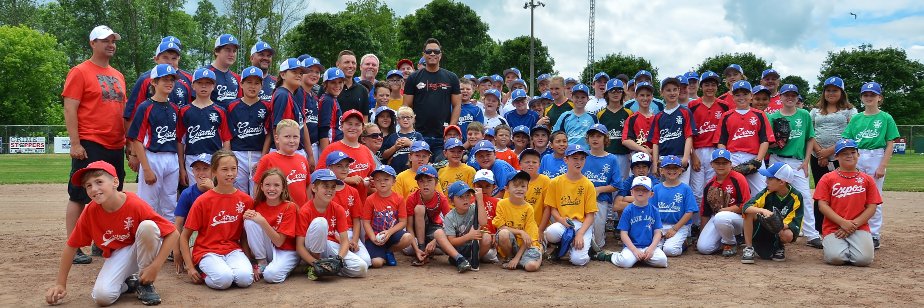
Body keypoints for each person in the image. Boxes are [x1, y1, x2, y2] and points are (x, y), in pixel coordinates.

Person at [46, 161, 178, 306]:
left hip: (143, 249)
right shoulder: (90, 211)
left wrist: (155, 267)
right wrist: (60, 284)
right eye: (88, 185)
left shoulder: (134, 204)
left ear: (115, 182)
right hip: (119, 255)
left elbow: (173, 233)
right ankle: (129, 283)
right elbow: (71, 246)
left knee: (148, 227)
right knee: (102, 297)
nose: (94, 189)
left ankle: (144, 283)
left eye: (99, 182)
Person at [62, 25, 129, 264]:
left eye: (113, 40)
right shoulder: (80, 71)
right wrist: (75, 142)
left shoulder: (118, 75)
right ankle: (74, 245)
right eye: (105, 40)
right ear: (92, 43)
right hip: (90, 141)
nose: (110, 44)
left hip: (114, 143)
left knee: (111, 194)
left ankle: (102, 242)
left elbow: (123, 111)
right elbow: (70, 107)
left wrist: (127, 143)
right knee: (80, 194)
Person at [178, 150, 255, 290]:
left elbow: (244, 236)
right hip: (207, 251)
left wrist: (250, 262)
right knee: (224, 280)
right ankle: (204, 272)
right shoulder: (203, 201)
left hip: (232, 250)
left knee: (245, 279)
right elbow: (184, 236)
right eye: (224, 169)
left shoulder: (245, 200)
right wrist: (190, 267)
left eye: (233, 169)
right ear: (214, 171)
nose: (230, 173)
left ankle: (226, 271)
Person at [841, 82, 898, 249]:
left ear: (880, 98)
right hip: (857, 156)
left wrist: (882, 166)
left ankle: (873, 234)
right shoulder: (856, 118)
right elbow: (847, 140)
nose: (869, 97)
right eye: (865, 95)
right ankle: (854, 229)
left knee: (873, 198)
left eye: (873, 95)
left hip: (876, 156)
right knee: (853, 195)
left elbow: (890, 143)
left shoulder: (886, 117)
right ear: (861, 98)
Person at [127, 64, 182, 222]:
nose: (169, 83)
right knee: (148, 204)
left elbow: (178, 139)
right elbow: (137, 140)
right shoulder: (145, 107)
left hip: (171, 158)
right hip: (153, 157)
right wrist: (146, 168)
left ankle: (168, 244)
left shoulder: (174, 108)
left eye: (172, 79)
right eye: (165, 79)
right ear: (154, 82)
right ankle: (148, 241)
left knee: (170, 203)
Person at [807, 76, 856, 249]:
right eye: (828, 90)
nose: (831, 93)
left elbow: (850, 134)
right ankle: (818, 228)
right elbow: (810, 133)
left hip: (839, 156)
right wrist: (820, 153)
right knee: (821, 192)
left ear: (841, 92)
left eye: (835, 90)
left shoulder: (850, 111)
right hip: (817, 156)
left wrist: (828, 153)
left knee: (840, 191)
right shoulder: (815, 111)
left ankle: (839, 224)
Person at [814, 139, 880, 266]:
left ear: (858, 154)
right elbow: (822, 206)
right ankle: (837, 246)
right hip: (834, 227)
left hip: (859, 226)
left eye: (853, 152)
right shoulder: (827, 178)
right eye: (844, 153)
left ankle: (846, 246)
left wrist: (852, 226)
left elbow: (872, 207)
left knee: (863, 260)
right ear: (836, 156)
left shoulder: (867, 179)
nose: (849, 155)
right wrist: (843, 223)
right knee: (836, 258)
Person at [295, 169, 369, 279]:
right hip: (311, 248)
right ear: (314, 188)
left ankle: (327, 269)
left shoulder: (338, 209)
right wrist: (315, 262)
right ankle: (314, 264)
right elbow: (299, 246)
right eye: (325, 186)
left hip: (330, 244)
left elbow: (344, 241)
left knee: (362, 268)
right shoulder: (305, 210)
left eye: (333, 187)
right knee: (320, 222)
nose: (330, 190)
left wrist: (339, 260)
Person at [766, 84, 816, 247]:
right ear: (780, 97)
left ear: (797, 97)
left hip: (797, 162)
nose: (790, 97)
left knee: (805, 197)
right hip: (777, 160)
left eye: (793, 95)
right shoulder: (772, 117)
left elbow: (810, 138)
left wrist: (807, 160)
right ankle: (773, 232)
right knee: (774, 196)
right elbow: (768, 143)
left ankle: (811, 234)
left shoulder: (804, 115)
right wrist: (777, 143)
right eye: (787, 94)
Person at [403, 38, 462, 157]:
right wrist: (411, 129)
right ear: (423, 54)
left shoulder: (451, 77)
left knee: (442, 169)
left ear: (441, 54)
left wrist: (450, 130)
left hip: (442, 137)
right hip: (419, 135)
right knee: (420, 172)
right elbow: (406, 107)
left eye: (436, 51)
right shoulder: (413, 78)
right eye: (429, 51)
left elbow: (457, 105)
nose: (433, 54)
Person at [714, 81, 774, 198]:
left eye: (745, 94)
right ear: (732, 97)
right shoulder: (726, 116)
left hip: (754, 156)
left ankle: (759, 216)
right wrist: (726, 160)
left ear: (751, 96)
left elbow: (764, 140)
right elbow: (721, 142)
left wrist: (758, 160)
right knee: (730, 193)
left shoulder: (760, 115)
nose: (741, 97)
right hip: (733, 157)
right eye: (737, 94)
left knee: (761, 193)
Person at [543, 144, 598, 266]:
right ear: (566, 159)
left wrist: (580, 233)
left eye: (582, 158)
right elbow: (553, 209)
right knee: (551, 233)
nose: (579, 162)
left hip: (582, 224)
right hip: (564, 223)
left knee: (579, 261)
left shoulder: (588, 185)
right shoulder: (556, 182)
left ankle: (586, 245)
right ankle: (563, 245)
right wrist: (561, 220)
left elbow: (590, 215)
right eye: (575, 158)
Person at [596, 176, 668, 268]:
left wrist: (651, 249)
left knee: (662, 261)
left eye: (645, 190)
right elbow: (624, 234)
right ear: (632, 192)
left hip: (648, 246)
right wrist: (634, 250)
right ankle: (611, 256)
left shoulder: (654, 210)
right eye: (637, 189)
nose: (641, 192)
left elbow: (657, 233)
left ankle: (641, 258)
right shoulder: (628, 210)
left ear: (651, 194)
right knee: (625, 262)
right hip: (631, 247)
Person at [740, 162, 804, 263]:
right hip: (762, 231)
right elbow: (746, 207)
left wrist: (777, 224)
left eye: (770, 179)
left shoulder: (796, 197)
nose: (766, 181)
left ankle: (779, 246)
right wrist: (763, 210)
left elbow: (795, 222)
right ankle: (749, 248)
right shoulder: (767, 192)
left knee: (787, 234)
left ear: (782, 182)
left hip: (778, 231)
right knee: (750, 212)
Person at [243, 169, 299, 283]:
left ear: (283, 187)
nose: (272, 189)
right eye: (267, 185)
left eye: (276, 185)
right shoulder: (257, 205)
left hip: (286, 251)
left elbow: (279, 242)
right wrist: (245, 217)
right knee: (249, 221)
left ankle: (284, 267)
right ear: (262, 187)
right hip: (267, 250)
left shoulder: (290, 207)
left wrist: (263, 221)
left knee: (271, 276)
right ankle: (262, 262)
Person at [178, 68, 232, 186]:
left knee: (215, 193)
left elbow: (226, 139)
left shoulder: (220, 111)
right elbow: (180, 141)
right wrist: (181, 168)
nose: (204, 86)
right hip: (192, 158)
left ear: (213, 86)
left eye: (208, 83)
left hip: (214, 158)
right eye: (200, 83)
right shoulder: (184, 111)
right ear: (193, 85)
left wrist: (225, 163)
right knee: (195, 193)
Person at [123, 41, 191, 133]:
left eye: (174, 58)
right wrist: (130, 143)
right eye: (165, 57)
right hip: (152, 138)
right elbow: (131, 114)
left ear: (179, 59)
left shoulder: (189, 79)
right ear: (156, 59)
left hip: (179, 137)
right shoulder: (146, 79)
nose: (170, 62)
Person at [227, 67, 273, 195]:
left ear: (262, 85)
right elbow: (228, 135)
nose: (252, 86)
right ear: (241, 84)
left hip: (258, 153)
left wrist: (263, 157)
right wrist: (229, 157)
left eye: (257, 83)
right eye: (249, 82)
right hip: (238, 153)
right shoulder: (232, 106)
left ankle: (255, 215)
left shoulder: (266, 106)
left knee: (257, 191)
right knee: (238, 191)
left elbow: (269, 133)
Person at [696, 149, 750, 257]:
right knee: (703, 248)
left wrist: (724, 210)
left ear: (730, 164)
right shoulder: (710, 185)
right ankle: (725, 240)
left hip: (740, 220)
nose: (721, 165)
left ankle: (730, 243)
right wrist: (702, 234)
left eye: (724, 163)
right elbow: (705, 213)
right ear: (712, 164)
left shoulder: (738, 179)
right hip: (719, 219)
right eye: (717, 163)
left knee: (721, 216)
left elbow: (746, 205)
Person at [688, 71, 728, 213]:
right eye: (706, 85)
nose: (710, 88)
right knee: (697, 191)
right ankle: (696, 224)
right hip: (697, 150)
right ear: (701, 86)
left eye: (713, 85)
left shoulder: (724, 106)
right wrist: (693, 155)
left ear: (717, 87)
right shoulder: (692, 105)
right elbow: (688, 133)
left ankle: (712, 220)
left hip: (715, 151)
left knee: (713, 189)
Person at [317, 110, 377, 198]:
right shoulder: (331, 148)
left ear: (363, 128)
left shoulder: (366, 150)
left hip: (360, 205)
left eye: (357, 124)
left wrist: (372, 182)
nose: (353, 128)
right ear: (341, 126)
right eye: (349, 124)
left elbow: (373, 176)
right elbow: (318, 176)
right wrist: (346, 179)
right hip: (336, 203)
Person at [362, 165, 414, 268]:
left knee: (408, 237)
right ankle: (382, 254)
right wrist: (372, 238)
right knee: (377, 263)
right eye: (378, 180)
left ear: (393, 181)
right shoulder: (370, 199)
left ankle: (388, 251)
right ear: (373, 183)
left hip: (392, 233)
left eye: (386, 179)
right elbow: (366, 222)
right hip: (375, 235)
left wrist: (389, 232)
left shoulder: (399, 199)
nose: (382, 182)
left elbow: (403, 222)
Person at [253, 119, 311, 206]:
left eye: (295, 137)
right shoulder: (267, 159)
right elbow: (257, 186)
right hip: (277, 212)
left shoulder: (302, 160)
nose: (291, 141)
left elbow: (307, 186)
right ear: (277, 138)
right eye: (287, 136)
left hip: (300, 212)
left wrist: (307, 207)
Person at [494, 171, 543, 272]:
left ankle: (540, 251)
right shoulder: (502, 204)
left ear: (527, 188)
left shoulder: (528, 208)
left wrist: (518, 258)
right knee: (503, 234)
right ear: (507, 188)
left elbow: (528, 238)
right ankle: (510, 258)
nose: (519, 189)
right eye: (515, 186)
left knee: (531, 267)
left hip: (527, 246)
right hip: (513, 245)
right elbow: (501, 227)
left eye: (523, 186)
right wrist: (521, 231)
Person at [649, 77, 696, 182]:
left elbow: (689, 136)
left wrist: (685, 157)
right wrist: (655, 163)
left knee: (681, 190)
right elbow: (655, 142)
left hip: (680, 157)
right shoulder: (658, 116)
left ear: (679, 91)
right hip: (663, 158)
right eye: (668, 90)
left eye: (675, 89)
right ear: (662, 93)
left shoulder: (685, 112)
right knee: (664, 192)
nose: (672, 93)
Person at [405, 165, 454, 267]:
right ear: (418, 183)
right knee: (408, 249)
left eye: (429, 180)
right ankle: (422, 248)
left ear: (436, 183)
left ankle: (428, 249)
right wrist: (416, 248)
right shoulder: (412, 198)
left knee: (445, 245)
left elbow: (450, 225)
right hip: (416, 229)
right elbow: (409, 226)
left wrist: (435, 241)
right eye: (421, 181)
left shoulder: (441, 198)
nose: (425, 184)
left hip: (434, 228)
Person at [583, 124, 622, 250]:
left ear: (605, 139)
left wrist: (599, 189)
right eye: (592, 136)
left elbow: (617, 185)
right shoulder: (583, 156)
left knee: (598, 241)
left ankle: (599, 240)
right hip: (581, 200)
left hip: (601, 200)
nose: (595, 139)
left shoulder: (611, 159)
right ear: (587, 139)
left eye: (599, 136)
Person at [651, 156, 698, 257]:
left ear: (681, 170)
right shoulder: (656, 188)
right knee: (655, 249)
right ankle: (666, 241)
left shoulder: (685, 188)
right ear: (661, 171)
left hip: (679, 226)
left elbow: (689, 212)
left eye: (675, 168)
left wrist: (674, 229)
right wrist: (657, 229)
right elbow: (652, 211)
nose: (672, 171)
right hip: (661, 225)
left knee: (669, 250)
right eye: (668, 168)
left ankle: (684, 244)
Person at [441, 182, 492, 272]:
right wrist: (469, 236)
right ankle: (460, 259)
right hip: (457, 249)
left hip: (473, 247)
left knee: (487, 237)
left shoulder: (474, 208)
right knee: (439, 233)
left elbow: (483, 222)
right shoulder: (450, 217)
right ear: (452, 201)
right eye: (461, 197)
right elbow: (452, 241)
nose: (465, 199)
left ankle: (473, 260)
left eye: (468, 195)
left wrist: (480, 201)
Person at [597, 78, 633, 179]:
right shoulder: (600, 114)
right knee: (606, 179)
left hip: (624, 154)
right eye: (612, 90)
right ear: (607, 93)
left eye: (619, 90)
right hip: (606, 153)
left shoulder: (628, 113)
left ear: (623, 93)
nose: (616, 93)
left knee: (622, 181)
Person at [382, 107, 424, 174]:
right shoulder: (393, 136)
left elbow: (424, 152)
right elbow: (384, 155)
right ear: (397, 120)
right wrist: (395, 147)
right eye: (402, 117)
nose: (405, 120)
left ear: (413, 119)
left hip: (414, 171)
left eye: (408, 117)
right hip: (395, 171)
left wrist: (410, 143)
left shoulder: (418, 135)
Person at [622, 82, 657, 155]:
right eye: (642, 95)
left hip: (655, 157)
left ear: (652, 97)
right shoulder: (632, 119)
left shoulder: (657, 119)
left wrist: (652, 150)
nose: (645, 98)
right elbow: (625, 140)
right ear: (636, 97)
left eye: (648, 95)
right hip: (637, 158)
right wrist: (643, 149)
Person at [207, 34, 242, 108]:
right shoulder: (205, 73)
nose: (232, 54)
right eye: (227, 50)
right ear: (216, 51)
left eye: (234, 51)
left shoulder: (237, 78)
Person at [318, 68, 347, 152]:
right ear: (325, 84)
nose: (337, 85)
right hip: (330, 147)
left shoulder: (332, 98)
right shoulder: (328, 100)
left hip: (335, 145)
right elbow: (324, 130)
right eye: (333, 82)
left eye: (340, 82)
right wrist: (325, 155)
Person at [336, 50, 371, 117]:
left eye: (353, 63)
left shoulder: (362, 90)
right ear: (338, 64)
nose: (351, 66)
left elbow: (365, 118)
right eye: (347, 62)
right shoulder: (328, 87)